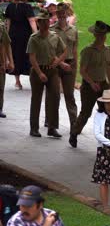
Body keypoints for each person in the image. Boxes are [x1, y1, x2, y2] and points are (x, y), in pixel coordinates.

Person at [69, 20, 110, 148]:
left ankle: (107, 138)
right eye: (99, 34)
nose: (102, 37)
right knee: (86, 112)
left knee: (107, 112)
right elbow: (82, 71)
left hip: (103, 84)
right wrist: (92, 83)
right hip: (89, 86)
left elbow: (109, 68)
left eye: (104, 34)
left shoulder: (107, 50)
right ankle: (74, 132)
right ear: (95, 35)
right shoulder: (88, 51)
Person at [27, 9, 67, 138]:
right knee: (36, 99)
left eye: (46, 21)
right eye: (42, 22)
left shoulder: (54, 36)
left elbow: (65, 51)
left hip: (52, 71)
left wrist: (59, 62)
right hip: (38, 71)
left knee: (55, 96)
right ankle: (34, 128)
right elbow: (32, 57)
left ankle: (52, 127)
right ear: (38, 23)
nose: (44, 24)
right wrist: (39, 73)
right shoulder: (34, 38)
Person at [50, 2, 78, 129]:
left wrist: (75, 66)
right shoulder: (52, 30)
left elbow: (75, 48)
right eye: (59, 13)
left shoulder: (73, 30)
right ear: (56, 14)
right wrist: (60, 63)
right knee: (54, 95)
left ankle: (74, 123)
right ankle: (51, 123)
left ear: (67, 14)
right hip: (56, 64)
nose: (61, 15)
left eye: (63, 13)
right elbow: (49, 51)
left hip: (70, 63)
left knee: (69, 95)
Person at [4, 0, 37, 90]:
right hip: (25, 36)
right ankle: (33, 80)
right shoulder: (27, 7)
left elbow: (7, 23)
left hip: (13, 35)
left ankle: (17, 81)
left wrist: (7, 36)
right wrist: (36, 34)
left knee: (16, 56)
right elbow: (32, 21)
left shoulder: (10, 6)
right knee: (29, 57)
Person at [4, 185, 68, 226]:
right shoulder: (16, 222)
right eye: (22, 205)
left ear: (40, 205)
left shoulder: (51, 215)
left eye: (29, 206)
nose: (24, 210)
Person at [0, 21, 14, 118]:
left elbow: (7, 44)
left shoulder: (1, 26)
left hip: (0, 61)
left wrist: (10, 61)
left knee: (0, 86)